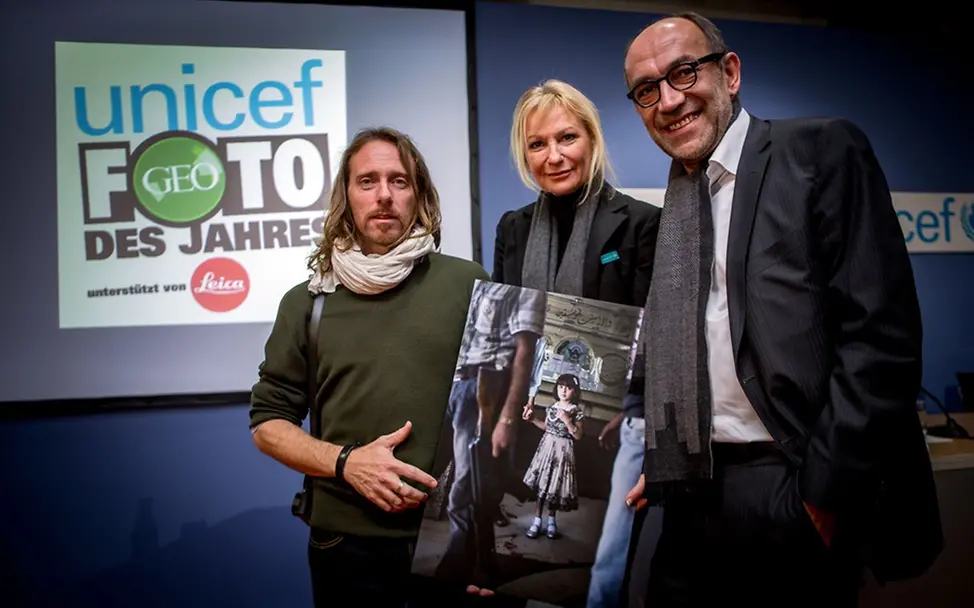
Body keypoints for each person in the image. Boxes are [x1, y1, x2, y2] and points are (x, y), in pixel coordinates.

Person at [621, 12, 943, 607]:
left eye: (684, 73)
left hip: (790, 481)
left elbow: (881, 337)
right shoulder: (675, 211)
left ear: (730, 72)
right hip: (690, 490)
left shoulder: (820, 151)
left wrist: (821, 494)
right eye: (647, 90)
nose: (668, 101)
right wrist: (659, 460)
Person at [248, 126, 490, 607]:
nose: (384, 195)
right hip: (345, 544)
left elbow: (499, 409)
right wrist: (347, 462)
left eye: (399, 181)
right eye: (367, 181)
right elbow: (267, 425)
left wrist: (495, 543)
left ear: (419, 194)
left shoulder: (466, 283)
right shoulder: (307, 302)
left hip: (452, 539)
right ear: (346, 196)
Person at [485, 79, 662, 608]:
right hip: (531, 415)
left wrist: (629, 410)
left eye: (567, 138)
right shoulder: (513, 229)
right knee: (527, 566)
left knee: (602, 579)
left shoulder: (641, 224)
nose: (554, 156)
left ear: (592, 138)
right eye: (537, 144)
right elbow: (508, 332)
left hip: (615, 428)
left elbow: (656, 338)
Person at [433, 279, 546, 590]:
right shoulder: (477, 285)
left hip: (483, 386)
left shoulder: (527, 290)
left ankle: (462, 561)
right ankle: (480, 559)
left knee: (469, 485)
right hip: (452, 383)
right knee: (452, 477)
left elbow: (525, 352)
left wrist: (507, 417)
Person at [521, 373, 585, 539]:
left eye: (568, 388)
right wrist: (532, 419)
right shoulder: (552, 407)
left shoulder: (576, 411)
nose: (563, 391)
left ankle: (551, 520)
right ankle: (537, 520)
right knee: (542, 484)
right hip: (547, 447)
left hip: (562, 451)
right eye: (561, 387)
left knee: (555, 486)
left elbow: (578, 435)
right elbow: (546, 427)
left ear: (575, 391)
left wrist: (567, 421)